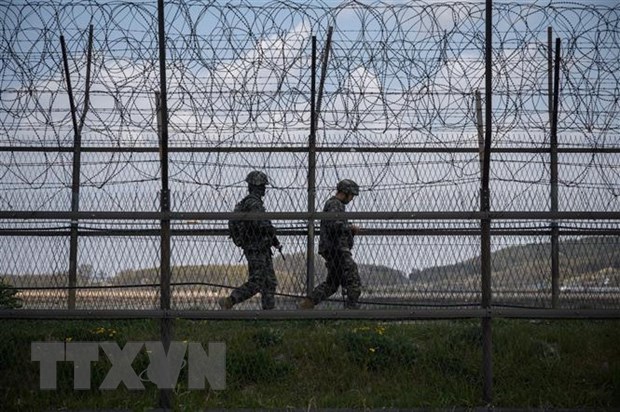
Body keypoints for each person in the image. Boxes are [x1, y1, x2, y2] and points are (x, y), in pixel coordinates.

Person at [219, 171, 282, 310]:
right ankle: (231, 300)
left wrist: (274, 240)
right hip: (257, 247)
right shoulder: (253, 203)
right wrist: (272, 232)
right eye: (263, 186)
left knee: (269, 282)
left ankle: (269, 313)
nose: (265, 189)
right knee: (257, 282)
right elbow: (260, 224)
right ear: (257, 186)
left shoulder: (252, 203)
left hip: (260, 247)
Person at [298, 179, 362, 309]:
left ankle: (306, 305)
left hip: (333, 249)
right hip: (337, 250)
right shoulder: (335, 204)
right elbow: (334, 225)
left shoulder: (334, 204)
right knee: (353, 278)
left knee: (332, 284)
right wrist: (350, 228)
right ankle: (352, 311)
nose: (351, 199)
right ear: (346, 192)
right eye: (351, 195)